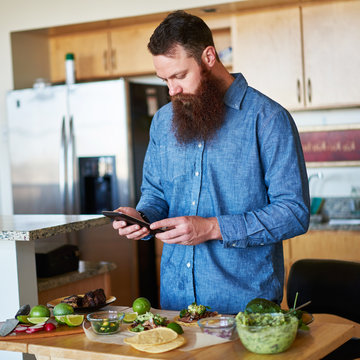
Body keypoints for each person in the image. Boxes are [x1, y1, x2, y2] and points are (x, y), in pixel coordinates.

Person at [113, 10, 310, 314]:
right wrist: (140, 217)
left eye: (179, 76)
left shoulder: (268, 119)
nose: (171, 90)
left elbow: (294, 212)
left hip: (244, 311)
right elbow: (156, 195)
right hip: (176, 306)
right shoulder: (163, 122)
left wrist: (212, 228)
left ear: (208, 57)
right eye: (164, 79)